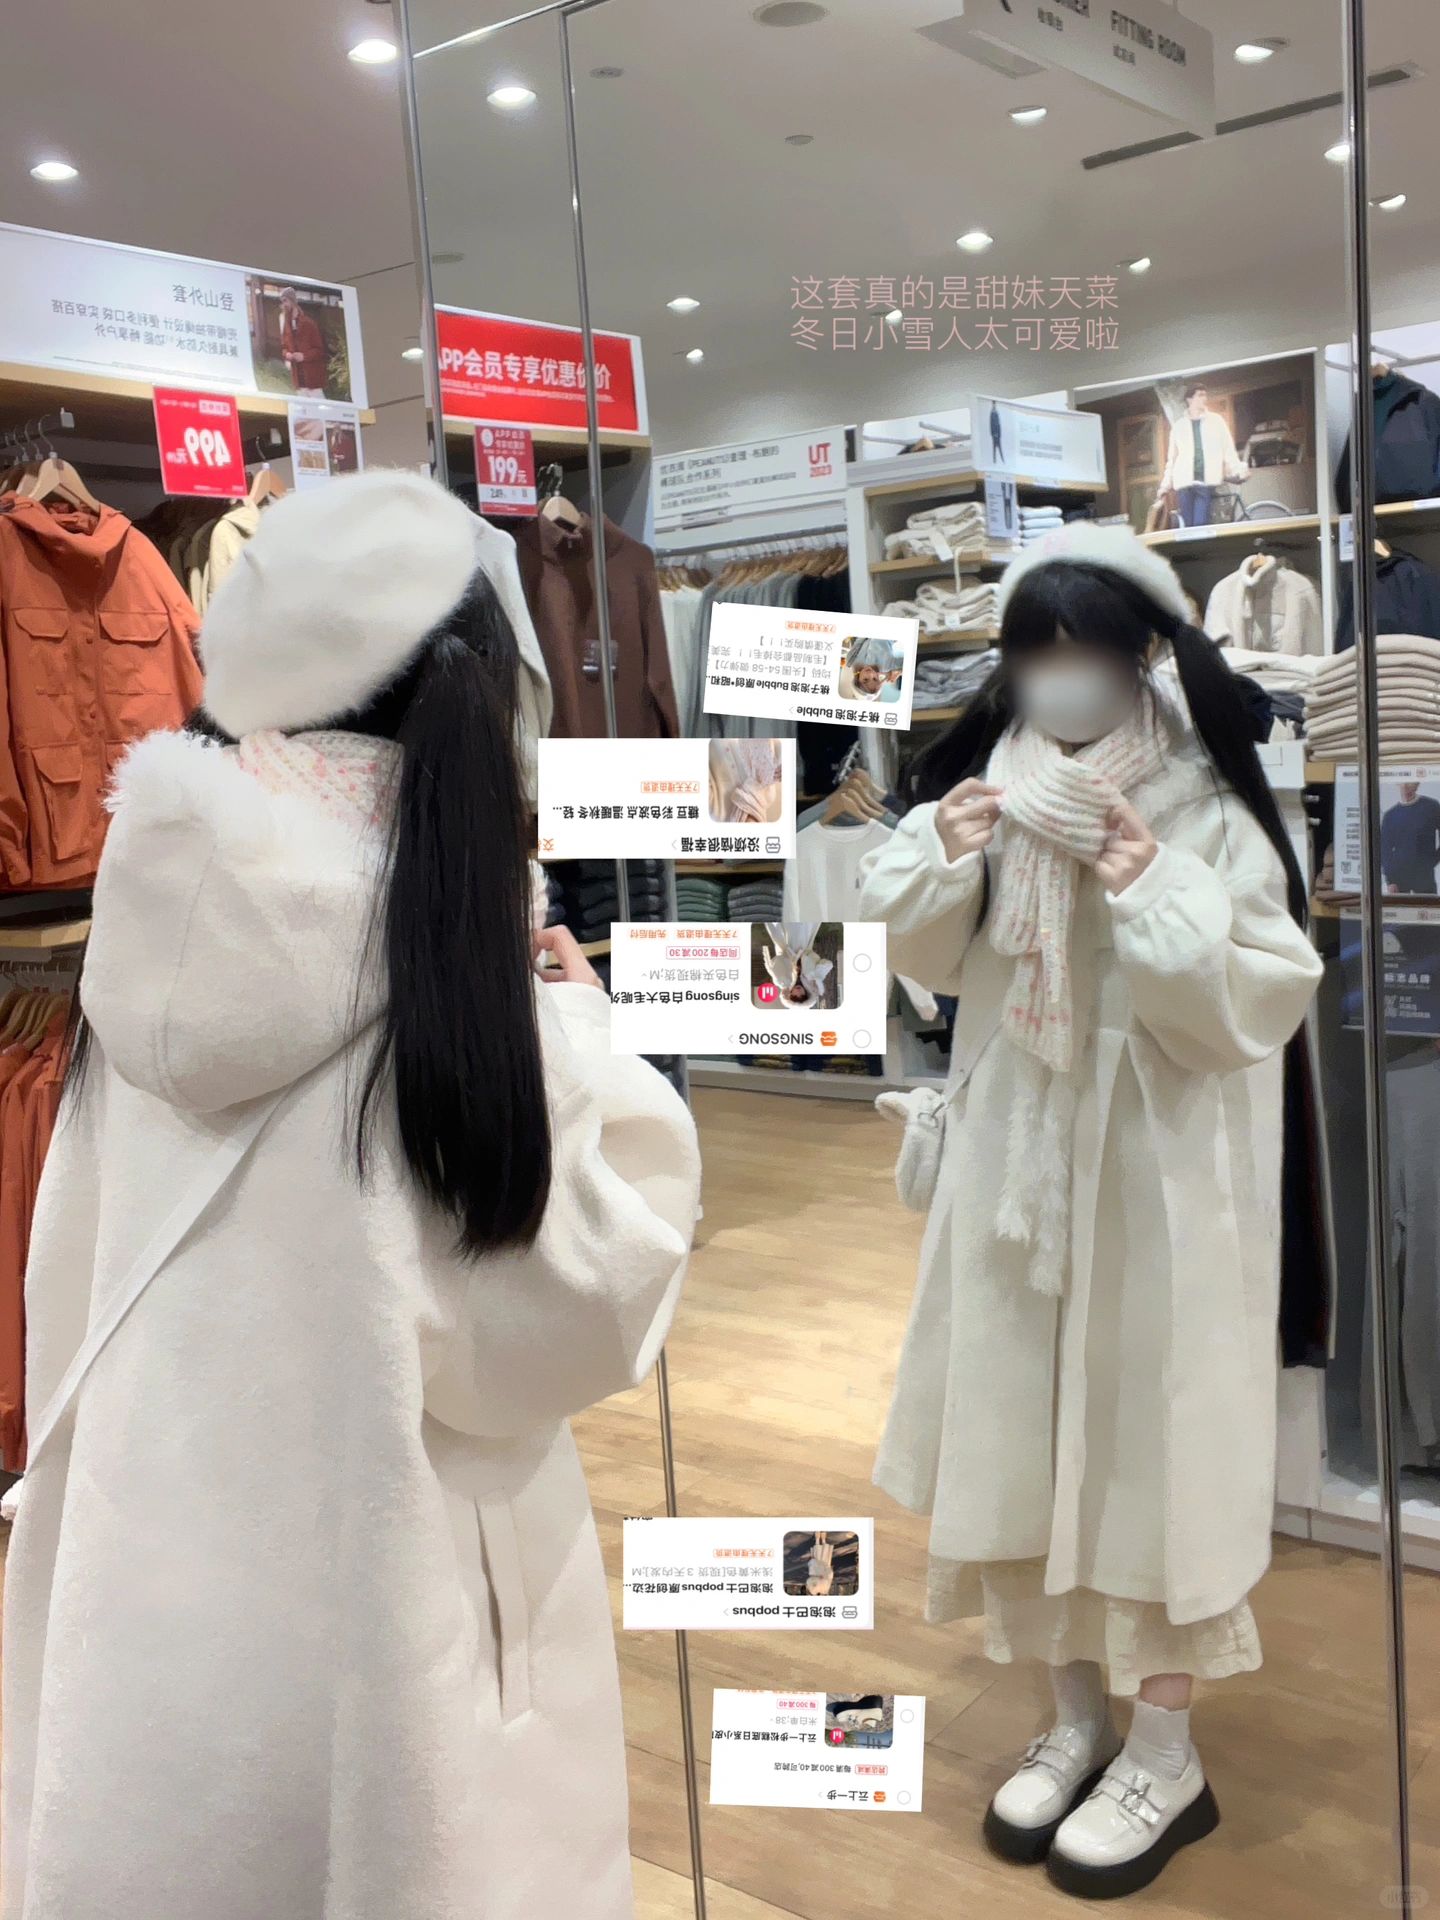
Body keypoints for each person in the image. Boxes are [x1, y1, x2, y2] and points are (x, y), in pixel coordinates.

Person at [1, 471, 702, 1920]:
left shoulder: (147, 927)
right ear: (469, 693)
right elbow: (572, 1318)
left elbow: (63, 1276)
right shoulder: (444, 966)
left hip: (154, 1615)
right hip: (392, 1619)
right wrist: (580, 1033)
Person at [859, 523, 1320, 1899]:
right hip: (1018, 1166)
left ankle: (1165, 1751)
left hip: (1160, 1173)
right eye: (1035, 652)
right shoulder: (992, 786)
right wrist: (939, 859)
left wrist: (1153, 885)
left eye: (1085, 651)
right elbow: (932, 965)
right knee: (1023, 1436)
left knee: (1147, 1452)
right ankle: (1073, 1718)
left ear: (1143, 655)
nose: (1059, 677)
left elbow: (1261, 997)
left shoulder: (1208, 800)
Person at [1158, 382, 1247, 528]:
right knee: (1187, 526)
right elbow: (1172, 459)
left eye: (1205, 395)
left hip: (1204, 480)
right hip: (1184, 482)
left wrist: (1238, 470)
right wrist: (1165, 485)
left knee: (1200, 524)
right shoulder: (1179, 426)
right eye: (1199, 395)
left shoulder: (1216, 421)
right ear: (1189, 399)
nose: (1204, 398)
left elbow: (1228, 448)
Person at [1381, 778, 1440, 895]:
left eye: (1410, 782)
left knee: (1427, 905)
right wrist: (1390, 880)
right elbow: (1384, 850)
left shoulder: (1431, 807)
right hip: (1399, 878)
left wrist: (1432, 861)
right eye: (1403, 782)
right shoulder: (1390, 815)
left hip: (1424, 877)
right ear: (1398, 783)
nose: (1406, 786)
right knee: (1401, 906)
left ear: (1417, 784)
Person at [279, 285, 329, 393]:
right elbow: (283, 347)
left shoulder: (309, 324)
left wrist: (304, 356)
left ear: (292, 300)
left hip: (312, 379)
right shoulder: (286, 326)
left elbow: (320, 350)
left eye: (285, 301)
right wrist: (287, 354)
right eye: (282, 302)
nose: (284, 305)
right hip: (297, 380)